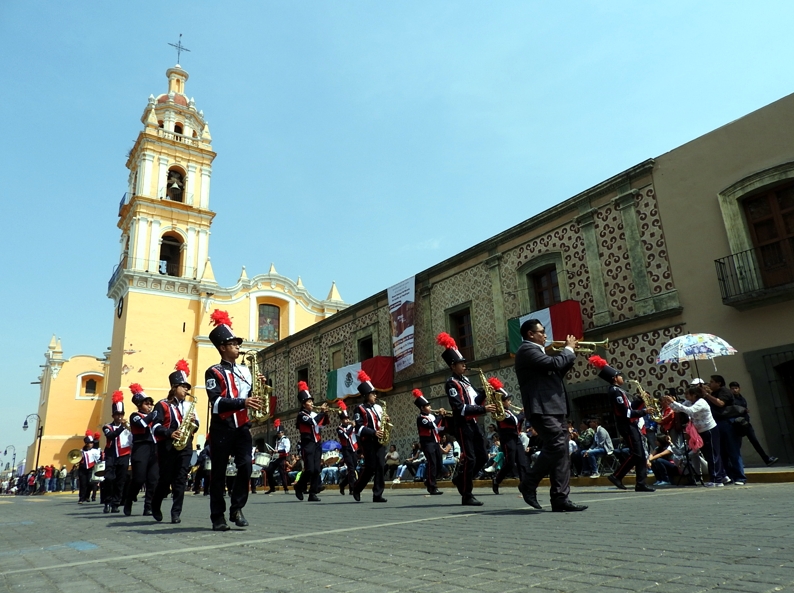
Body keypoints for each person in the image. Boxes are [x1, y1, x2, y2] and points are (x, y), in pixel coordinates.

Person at [513, 319, 586, 512]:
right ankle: (528, 483)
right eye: (542, 332)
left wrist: (569, 355)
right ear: (531, 334)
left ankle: (560, 498)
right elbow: (554, 363)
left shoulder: (539, 352)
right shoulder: (527, 350)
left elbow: (555, 371)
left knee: (562, 451)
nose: (545, 335)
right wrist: (568, 350)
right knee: (556, 444)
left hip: (553, 407)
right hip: (542, 407)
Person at [205, 310, 264, 531]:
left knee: (246, 467)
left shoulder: (245, 371)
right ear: (222, 347)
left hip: (242, 427)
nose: (238, 346)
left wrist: (259, 387)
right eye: (233, 343)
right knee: (218, 474)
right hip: (222, 427)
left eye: (238, 343)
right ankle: (217, 517)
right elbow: (217, 402)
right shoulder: (213, 372)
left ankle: (237, 508)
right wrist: (243, 402)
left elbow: (251, 395)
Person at [437, 332, 496, 507]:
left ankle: (460, 479)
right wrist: (483, 409)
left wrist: (487, 391)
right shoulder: (451, 384)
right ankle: (467, 494)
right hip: (462, 424)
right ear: (452, 366)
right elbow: (460, 408)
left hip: (473, 422)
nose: (464, 365)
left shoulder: (467, 382)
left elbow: (476, 400)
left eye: (464, 363)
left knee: (482, 456)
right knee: (470, 458)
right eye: (460, 363)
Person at [589, 356, 654, 493]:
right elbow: (626, 413)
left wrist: (640, 400)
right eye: (619, 375)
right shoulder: (615, 391)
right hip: (627, 425)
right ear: (614, 378)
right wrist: (644, 411)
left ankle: (638, 482)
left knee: (640, 454)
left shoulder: (619, 391)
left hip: (630, 425)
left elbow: (630, 407)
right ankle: (618, 476)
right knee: (637, 453)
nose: (622, 378)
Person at [151, 359, 198, 523]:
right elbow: (154, 426)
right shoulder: (162, 405)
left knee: (180, 479)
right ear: (174, 387)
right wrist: (170, 433)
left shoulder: (189, 406)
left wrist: (193, 423)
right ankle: (155, 504)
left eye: (187, 387)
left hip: (185, 446)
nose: (186, 390)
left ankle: (176, 512)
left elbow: (196, 425)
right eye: (183, 386)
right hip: (167, 446)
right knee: (165, 479)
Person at [661, 386, 726, 487]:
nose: (686, 396)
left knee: (713, 454)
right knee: (708, 454)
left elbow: (690, 411)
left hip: (709, 430)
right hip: (700, 432)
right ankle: (721, 475)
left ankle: (717, 479)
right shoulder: (689, 402)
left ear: (694, 395)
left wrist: (674, 403)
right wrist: (671, 403)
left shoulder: (701, 402)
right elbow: (679, 409)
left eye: (688, 394)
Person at [351, 370, 389, 503]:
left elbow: (380, 421)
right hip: (368, 441)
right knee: (370, 467)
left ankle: (377, 494)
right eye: (373, 393)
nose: (375, 395)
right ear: (366, 395)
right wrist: (373, 432)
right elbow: (358, 428)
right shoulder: (359, 409)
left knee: (380, 465)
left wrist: (385, 421)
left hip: (379, 440)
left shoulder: (378, 407)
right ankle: (357, 488)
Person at [488, 378, 530, 495]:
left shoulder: (509, 411)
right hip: (507, 440)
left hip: (515, 438)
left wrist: (522, 415)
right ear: (501, 402)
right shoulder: (501, 412)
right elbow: (514, 421)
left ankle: (524, 485)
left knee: (522, 462)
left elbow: (517, 424)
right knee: (510, 463)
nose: (510, 402)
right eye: (507, 400)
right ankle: (497, 480)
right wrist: (522, 414)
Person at [703, 375, 746, 485]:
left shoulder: (725, 392)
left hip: (727, 423)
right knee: (721, 453)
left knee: (733, 450)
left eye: (712, 382)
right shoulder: (712, 393)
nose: (710, 383)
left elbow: (720, 403)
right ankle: (728, 476)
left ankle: (740, 477)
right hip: (716, 424)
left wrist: (707, 395)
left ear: (719, 383)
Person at [123, 384, 159, 515]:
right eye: (146, 404)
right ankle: (128, 500)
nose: (150, 406)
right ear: (139, 405)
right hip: (141, 448)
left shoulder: (154, 417)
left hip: (154, 448)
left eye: (151, 404)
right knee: (138, 479)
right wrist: (154, 414)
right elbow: (142, 424)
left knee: (153, 479)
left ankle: (148, 506)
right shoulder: (135, 415)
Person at [293, 381, 328, 502]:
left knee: (317, 469)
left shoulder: (313, 413)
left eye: (312, 401)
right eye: (309, 401)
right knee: (309, 469)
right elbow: (312, 422)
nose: (312, 403)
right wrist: (322, 413)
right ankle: (299, 486)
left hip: (317, 443)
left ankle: (312, 493)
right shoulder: (301, 415)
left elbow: (322, 424)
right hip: (308, 444)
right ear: (303, 404)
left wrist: (325, 414)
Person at [729, 382, 778, 467]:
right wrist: (743, 410)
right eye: (733, 388)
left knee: (754, 441)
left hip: (745, 423)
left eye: (736, 388)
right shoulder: (731, 400)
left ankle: (766, 459)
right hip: (737, 425)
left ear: (739, 388)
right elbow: (733, 410)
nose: (735, 390)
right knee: (736, 445)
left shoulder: (741, 398)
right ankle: (737, 463)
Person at [101, 391, 132, 513]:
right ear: (113, 415)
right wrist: (122, 428)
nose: (119, 417)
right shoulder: (107, 427)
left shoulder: (127, 427)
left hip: (124, 456)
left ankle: (116, 503)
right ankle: (107, 501)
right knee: (109, 479)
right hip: (111, 456)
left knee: (120, 481)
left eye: (121, 414)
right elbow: (112, 436)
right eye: (117, 414)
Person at [413, 389, 447, 495]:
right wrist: (440, 416)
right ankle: (432, 486)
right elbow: (431, 425)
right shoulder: (421, 418)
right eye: (427, 406)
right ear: (422, 408)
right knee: (432, 464)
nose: (430, 407)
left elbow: (439, 428)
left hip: (436, 442)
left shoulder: (432, 417)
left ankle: (429, 481)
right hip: (428, 444)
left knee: (439, 464)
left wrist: (443, 418)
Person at [335, 401, 359, 495]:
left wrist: (354, 426)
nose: (346, 420)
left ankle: (343, 484)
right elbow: (345, 436)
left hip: (353, 449)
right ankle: (352, 489)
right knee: (351, 469)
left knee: (354, 468)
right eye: (344, 419)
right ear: (341, 420)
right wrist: (351, 427)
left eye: (347, 418)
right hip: (346, 450)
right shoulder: (339, 429)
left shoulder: (350, 426)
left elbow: (357, 432)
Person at [265, 419, 291, 494]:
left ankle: (286, 488)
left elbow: (286, 450)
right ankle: (272, 488)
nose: (278, 434)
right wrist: (272, 451)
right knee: (269, 470)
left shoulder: (286, 439)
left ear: (282, 432)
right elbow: (276, 449)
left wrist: (278, 451)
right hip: (276, 458)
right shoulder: (277, 440)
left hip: (282, 458)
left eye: (279, 433)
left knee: (282, 472)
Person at [77, 431, 99, 504]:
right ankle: (81, 498)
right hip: (82, 469)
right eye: (90, 443)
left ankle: (87, 496)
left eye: (92, 443)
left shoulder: (95, 451)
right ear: (86, 443)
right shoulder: (81, 451)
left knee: (90, 483)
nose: (91, 444)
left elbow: (98, 459)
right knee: (83, 484)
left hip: (91, 468)